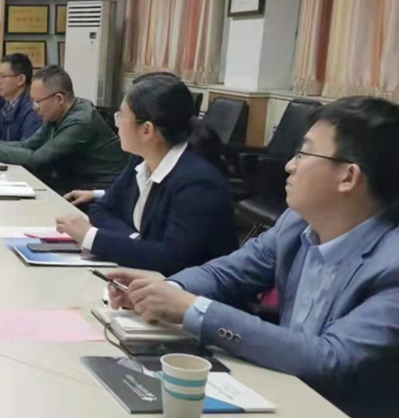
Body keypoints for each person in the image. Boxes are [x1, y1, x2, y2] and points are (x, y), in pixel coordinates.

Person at [107, 97, 399, 418]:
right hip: (280, 388)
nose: (290, 165)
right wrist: (165, 292)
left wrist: (193, 309)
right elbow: (227, 273)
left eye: (304, 154)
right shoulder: (295, 224)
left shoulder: (391, 265)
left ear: (348, 177)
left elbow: (330, 359)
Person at [52, 73, 236, 275]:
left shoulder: (198, 182)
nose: (116, 123)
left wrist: (92, 237)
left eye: (121, 116)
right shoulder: (141, 159)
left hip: (190, 289)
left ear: (146, 130)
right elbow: (102, 210)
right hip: (148, 279)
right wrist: (136, 241)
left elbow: (173, 260)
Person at [0, 66, 126, 194]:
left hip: (98, 194)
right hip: (74, 185)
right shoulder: (59, 113)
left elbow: (37, 159)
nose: (34, 108)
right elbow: (29, 144)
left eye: (37, 101)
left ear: (59, 98)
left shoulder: (81, 122)